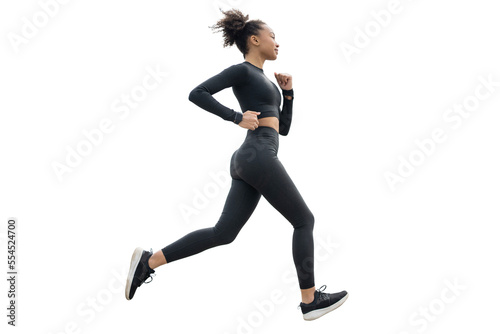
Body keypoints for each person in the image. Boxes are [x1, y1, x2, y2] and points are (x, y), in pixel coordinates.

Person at [125, 8, 348, 320]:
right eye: (273, 36)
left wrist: (289, 94)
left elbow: (282, 128)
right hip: (257, 155)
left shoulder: (265, 80)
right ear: (254, 40)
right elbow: (197, 93)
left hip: (251, 157)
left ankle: (149, 262)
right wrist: (235, 117)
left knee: (223, 233)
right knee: (304, 221)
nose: (277, 42)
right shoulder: (242, 71)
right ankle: (309, 300)